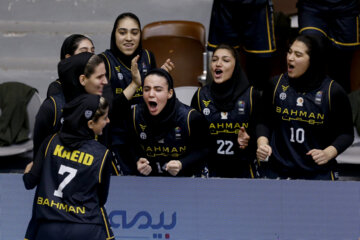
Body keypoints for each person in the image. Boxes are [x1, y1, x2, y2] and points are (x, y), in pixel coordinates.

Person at [256, 34, 354, 180]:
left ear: (313, 60)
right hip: (278, 171)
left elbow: (346, 134)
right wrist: (262, 143)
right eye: (289, 52)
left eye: (298, 54)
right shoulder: (275, 85)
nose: (290, 58)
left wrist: (328, 153)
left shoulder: (333, 91)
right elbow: (263, 121)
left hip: (318, 173)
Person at [23, 94, 114, 240]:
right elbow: (101, 199)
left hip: (49, 228)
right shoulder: (102, 155)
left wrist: (27, 172)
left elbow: (29, 182)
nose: (108, 121)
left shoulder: (50, 142)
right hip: (86, 229)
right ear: (90, 124)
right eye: (105, 118)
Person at [100, 12, 174, 175]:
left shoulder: (147, 57)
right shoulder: (103, 61)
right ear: (114, 34)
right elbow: (108, 110)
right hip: (116, 140)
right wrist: (134, 85)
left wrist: (159, 81)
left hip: (145, 139)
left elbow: (153, 104)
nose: (128, 38)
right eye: (122, 32)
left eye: (134, 32)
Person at [122, 68, 210, 177]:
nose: (151, 94)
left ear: (170, 93)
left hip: (183, 181)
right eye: (146, 89)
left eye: (158, 90)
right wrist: (137, 161)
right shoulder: (134, 115)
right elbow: (128, 148)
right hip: (147, 182)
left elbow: (203, 150)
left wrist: (182, 163)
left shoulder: (190, 117)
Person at [191, 44, 261, 178]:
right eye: (214, 59)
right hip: (210, 170)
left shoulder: (251, 95)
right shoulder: (200, 96)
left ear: (236, 66)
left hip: (244, 169)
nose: (218, 64)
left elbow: (262, 132)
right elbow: (194, 140)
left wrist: (249, 140)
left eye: (225, 60)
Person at [33, 52, 110, 161]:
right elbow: (39, 157)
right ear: (82, 80)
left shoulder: (98, 106)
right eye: (99, 77)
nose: (105, 81)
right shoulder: (51, 108)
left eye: (105, 75)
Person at [207, 0, 276, 90]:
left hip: (257, 9)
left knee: (260, 64)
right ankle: (220, 101)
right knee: (222, 57)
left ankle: (257, 99)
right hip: (225, 7)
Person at [297, 0, 360, 93]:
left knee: (341, 66)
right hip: (311, 7)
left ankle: (338, 102)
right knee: (312, 48)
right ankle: (311, 101)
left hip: (346, 8)